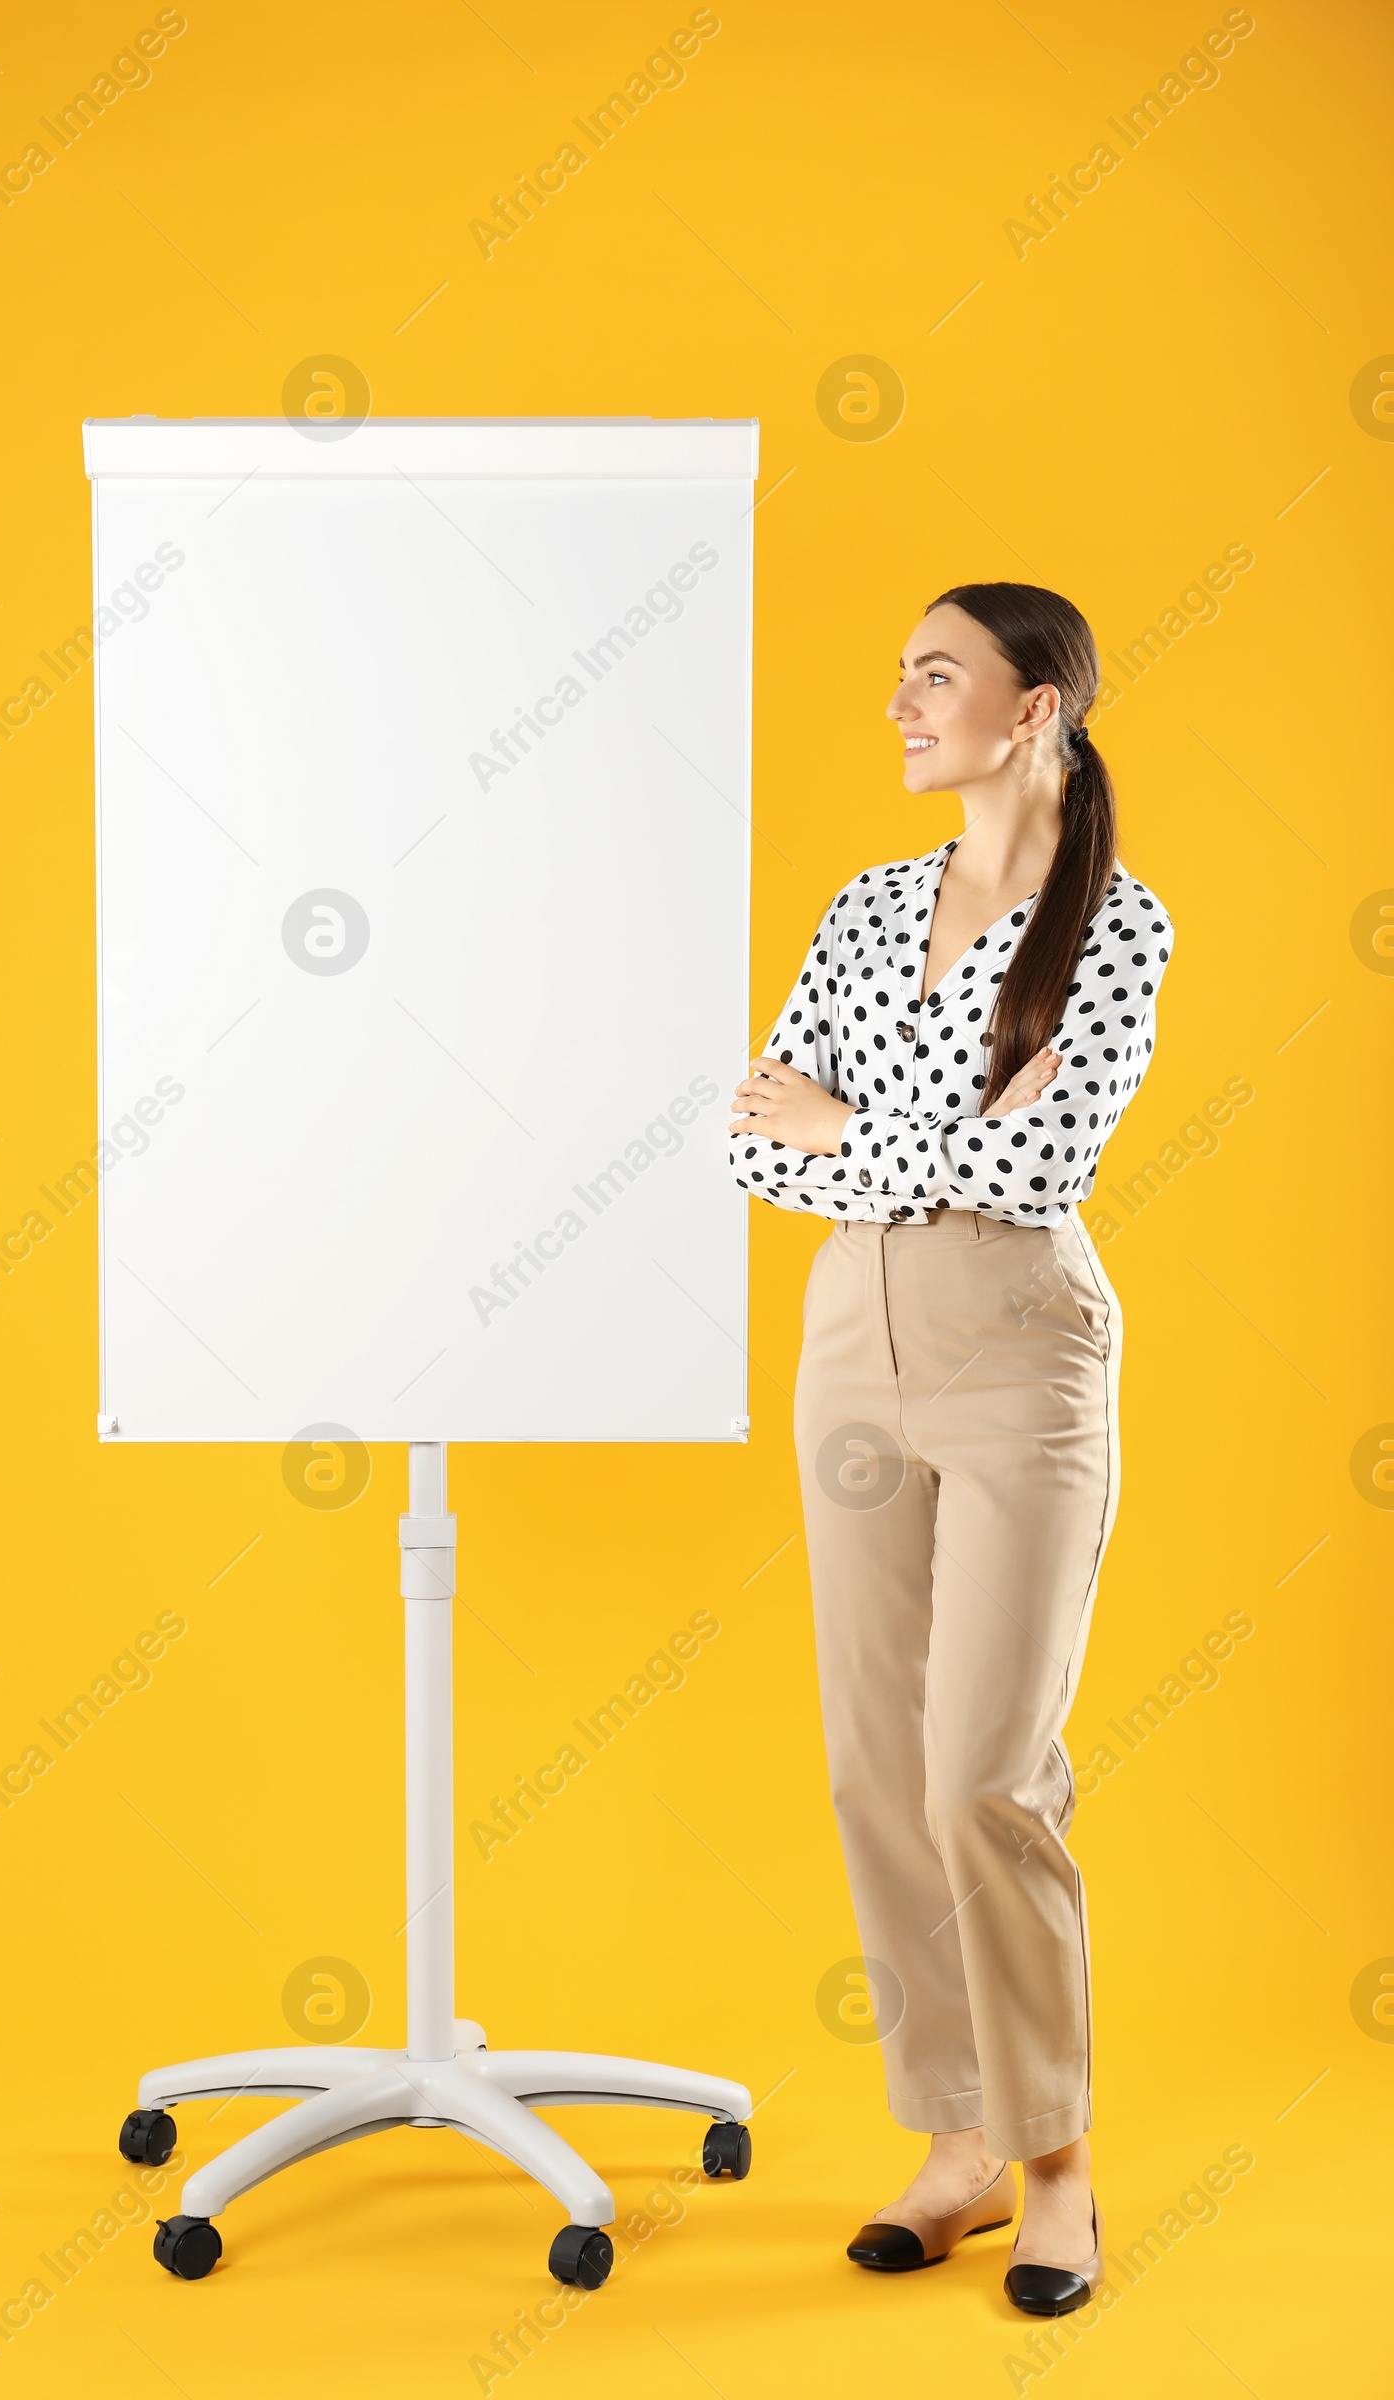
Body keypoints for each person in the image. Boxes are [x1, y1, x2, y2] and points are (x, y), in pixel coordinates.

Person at [727, 581, 1173, 2317]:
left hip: (1019, 1352)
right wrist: (875, 1136)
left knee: (983, 1767)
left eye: (936, 675)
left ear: (1037, 707)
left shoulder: (1115, 924)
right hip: (852, 1346)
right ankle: (956, 2141)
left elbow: (1033, 1165)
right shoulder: (864, 906)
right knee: (869, 1762)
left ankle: (1057, 2170)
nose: (900, 703)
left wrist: (857, 1128)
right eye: (898, 671)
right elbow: (759, 1136)